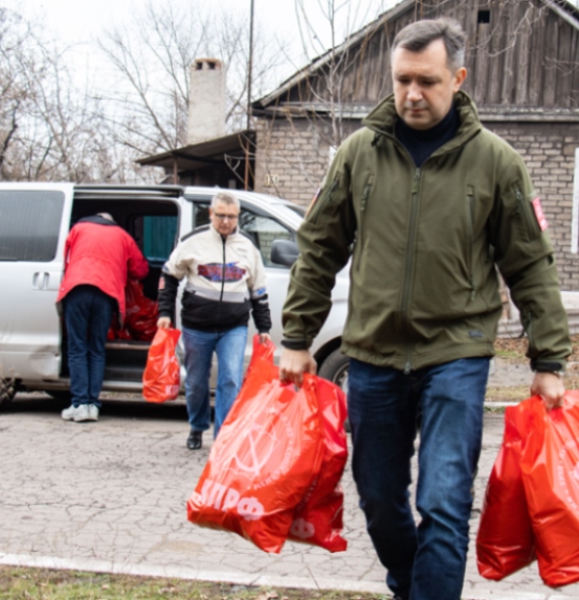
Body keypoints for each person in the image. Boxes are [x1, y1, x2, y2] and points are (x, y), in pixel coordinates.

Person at [279, 18, 570, 600]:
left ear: (458, 79)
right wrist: (296, 338)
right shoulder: (358, 153)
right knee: (381, 500)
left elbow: (530, 263)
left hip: (455, 354)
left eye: (427, 81)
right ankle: (412, 585)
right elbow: (319, 248)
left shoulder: (496, 162)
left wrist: (550, 357)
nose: (413, 93)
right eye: (402, 80)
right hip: (372, 353)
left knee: (443, 501)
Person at [157, 191, 271, 450]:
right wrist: (165, 313)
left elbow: (259, 291)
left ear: (238, 217)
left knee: (230, 378)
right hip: (197, 326)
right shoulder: (193, 242)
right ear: (211, 214)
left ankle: (223, 437)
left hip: (234, 326)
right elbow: (169, 276)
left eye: (231, 217)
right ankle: (197, 426)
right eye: (221, 215)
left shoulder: (247, 248)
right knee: (196, 382)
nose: (226, 221)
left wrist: (264, 327)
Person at [56, 212, 148, 422]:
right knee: (97, 349)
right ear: (111, 222)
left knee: (77, 347)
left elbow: (63, 259)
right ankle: (92, 405)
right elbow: (140, 270)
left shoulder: (77, 230)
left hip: (77, 290)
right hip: (107, 293)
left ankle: (79, 403)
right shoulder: (122, 235)